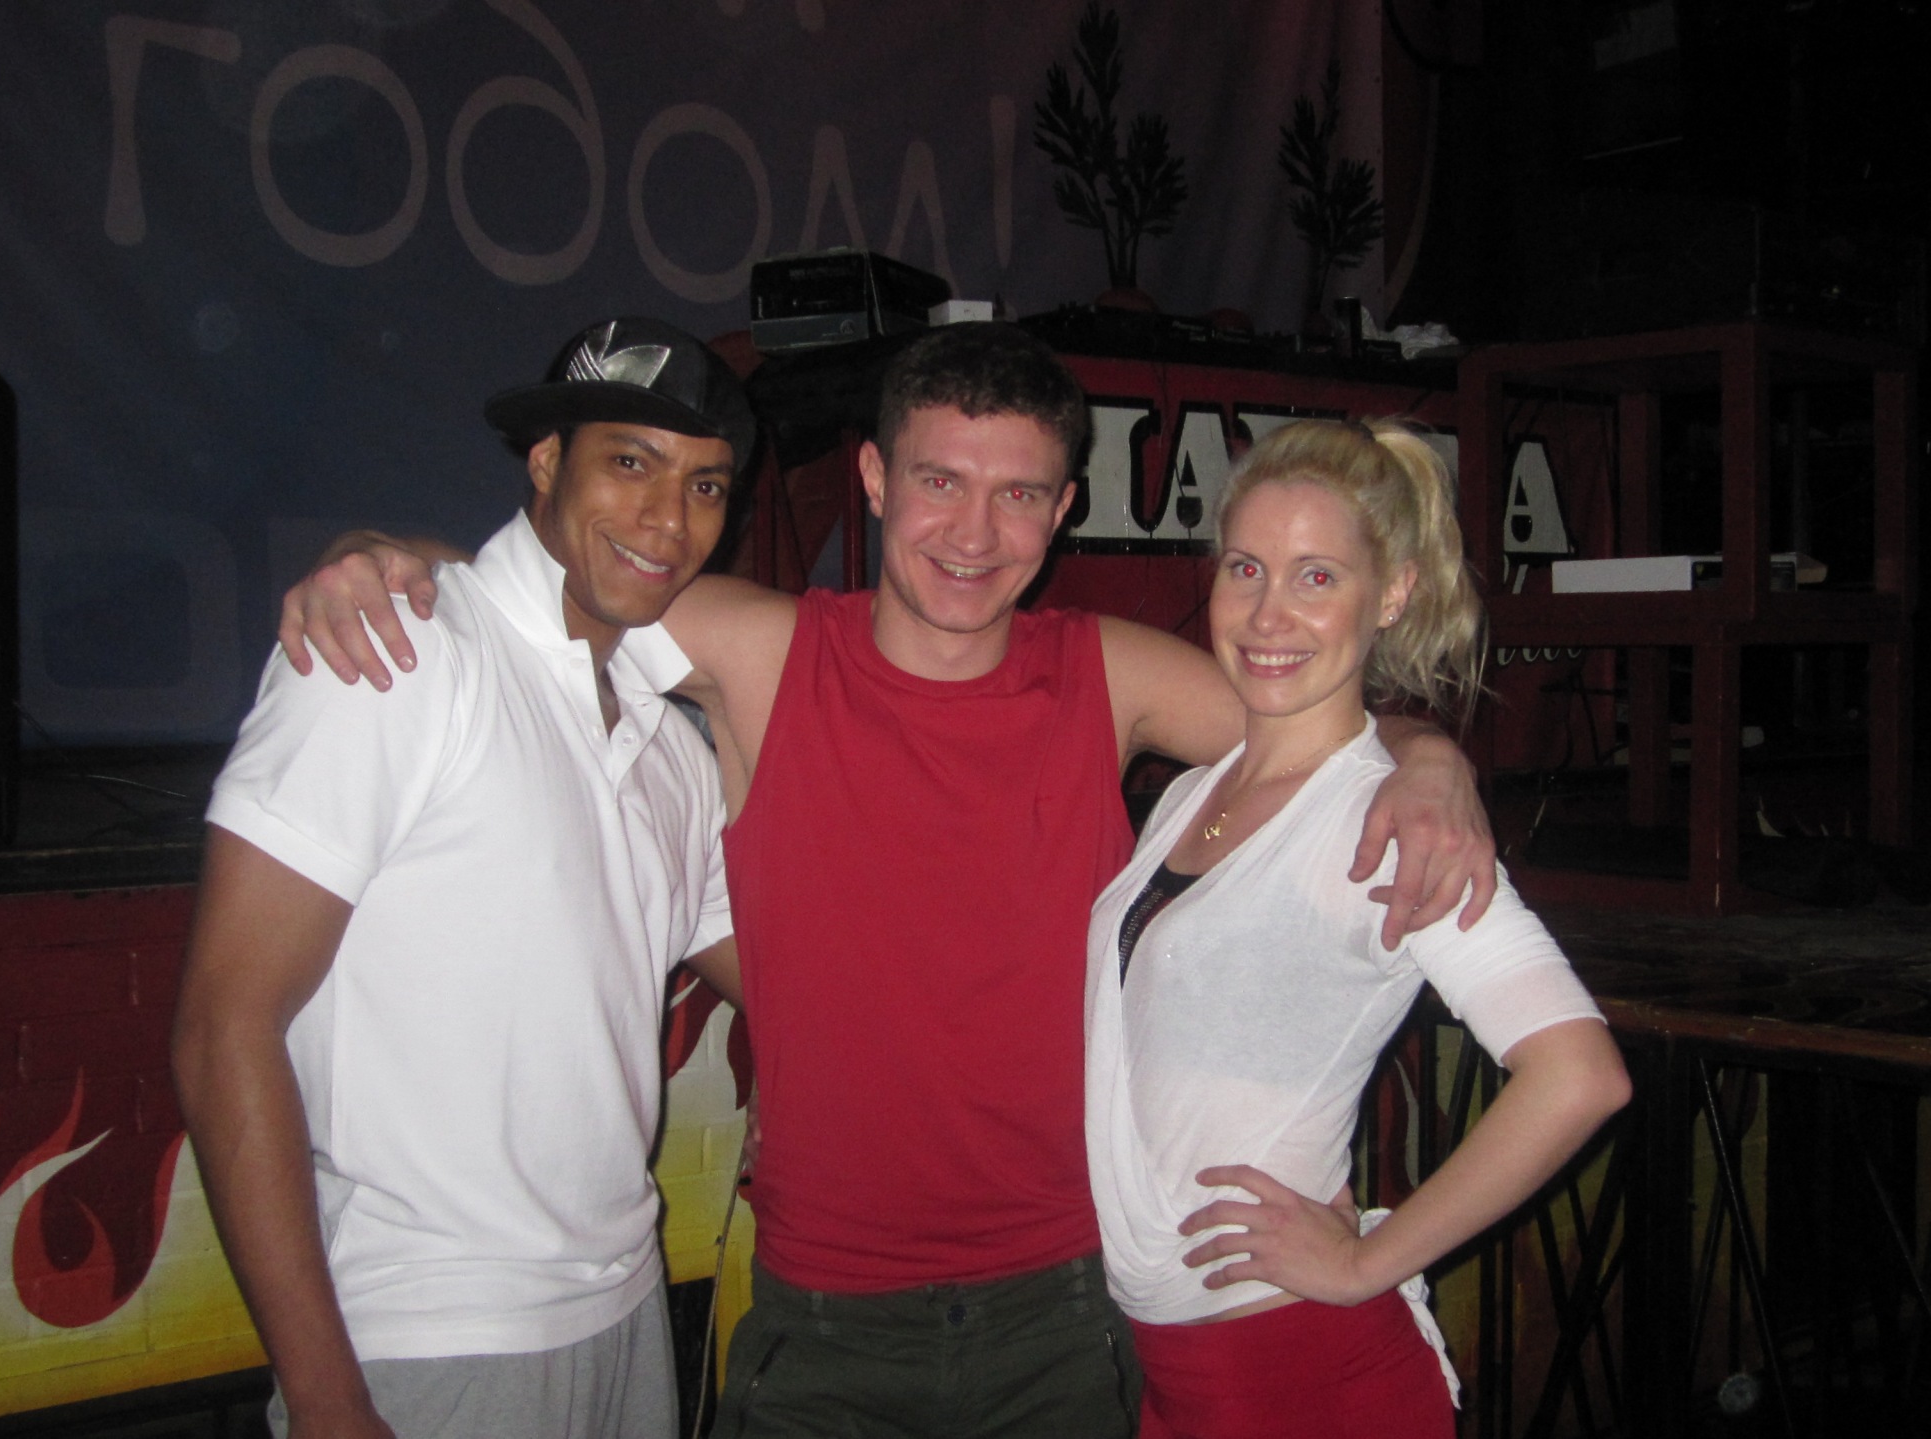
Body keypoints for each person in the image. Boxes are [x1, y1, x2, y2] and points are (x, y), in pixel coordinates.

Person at [276, 324, 1503, 1439]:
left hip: (1066, 1302)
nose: (974, 534)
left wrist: (1428, 756)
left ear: (1063, 508)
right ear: (872, 477)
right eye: (939, 481)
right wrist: (379, 558)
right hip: (825, 1319)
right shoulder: (761, 649)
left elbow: (1314, 722)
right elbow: (536, 598)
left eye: (1017, 494)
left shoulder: (1106, 674)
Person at [172, 316, 755, 1439]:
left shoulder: (667, 746)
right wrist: (328, 1397)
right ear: (546, 461)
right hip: (430, 1334)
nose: (666, 519)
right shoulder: (399, 651)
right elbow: (222, 1025)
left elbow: (789, 983)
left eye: (704, 485)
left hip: (627, 1308)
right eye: (629, 462)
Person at [1085, 418, 1632, 1439]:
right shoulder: (1193, 793)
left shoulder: (1382, 824)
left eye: (1316, 576)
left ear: (1390, 594)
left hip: (1297, 1366)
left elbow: (1580, 1074)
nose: (1267, 612)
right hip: (1179, 1366)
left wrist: (1366, 1259)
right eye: (1245, 567)